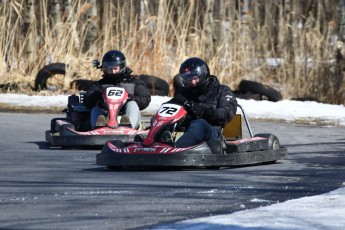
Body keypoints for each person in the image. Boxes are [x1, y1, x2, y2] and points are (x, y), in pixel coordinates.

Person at [167, 57, 237, 148]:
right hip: (185, 133)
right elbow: (167, 109)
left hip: (212, 136)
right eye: (188, 79)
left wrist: (203, 110)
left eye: (195, 79)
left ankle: (174, 150)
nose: (192, 82)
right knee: (160, 123)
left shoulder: (221, 91)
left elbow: (225, 114)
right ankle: (153, 146)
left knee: (199, 124)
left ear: (203, 75)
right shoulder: (184, 93)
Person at [83, 50, 151, 129]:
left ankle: (128, 125)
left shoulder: (134, 82)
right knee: (96, 108)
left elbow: (145, 99)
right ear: (104, 68)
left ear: (122, 67)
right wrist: (98, 95)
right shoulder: (99, 84)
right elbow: (87, 101)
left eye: (115, 68)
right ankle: (99, 126)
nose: (113, 72)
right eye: (110, 69)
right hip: (106, 114)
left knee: (133, 104)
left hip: (125, 114)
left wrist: (131, 98)